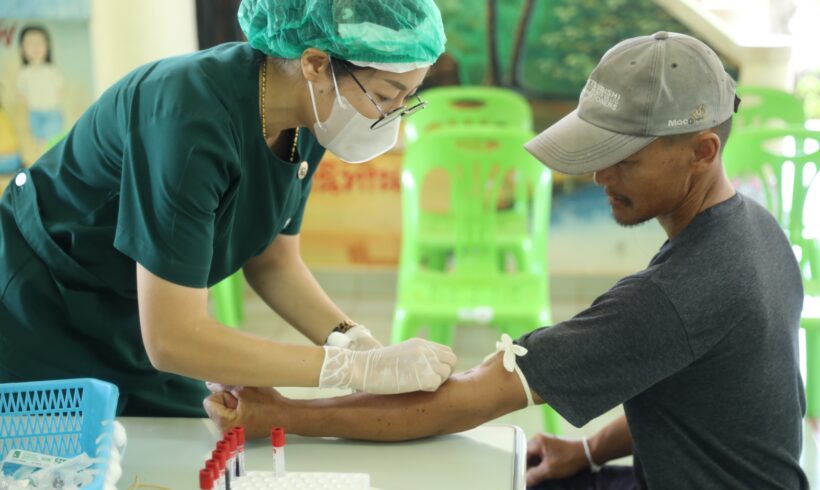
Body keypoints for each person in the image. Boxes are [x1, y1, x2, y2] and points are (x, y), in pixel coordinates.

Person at [205, 32, 809, 489]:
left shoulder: (673, 296)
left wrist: (283, 414)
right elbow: (692, 389)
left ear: (702, 151)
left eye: (624, 158)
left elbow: (464, 399)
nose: (600, 174)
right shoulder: (756, 231)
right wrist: (591, 450)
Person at [0, 0, 458, 417]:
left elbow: (274, 263)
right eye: (385, 95)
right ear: (316, 63)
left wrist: (351, 339)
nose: (390, 117)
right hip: (40, 305)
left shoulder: (314, 114)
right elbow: (173, 338)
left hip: (131, 314)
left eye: (407, 98)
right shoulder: (189, 119)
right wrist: (352, 371)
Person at [16, 25, 65, 150]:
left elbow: (60, 88)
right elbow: (21, 91)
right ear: (22, 48)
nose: (35, 48)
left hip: (51, 112)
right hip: (34, 112)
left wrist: (53, 102)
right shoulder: (25, 73)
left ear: (47, 46)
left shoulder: (51, 70)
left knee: (52, 141)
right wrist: (31, 104)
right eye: (30, 44)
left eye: (39, 43)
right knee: (40, 140)